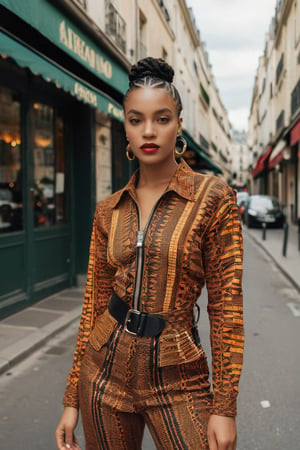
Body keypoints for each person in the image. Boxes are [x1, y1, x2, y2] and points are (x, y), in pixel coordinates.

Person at [55, 57, 244, 450]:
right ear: (125, 126)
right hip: (103, 373)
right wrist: (71, 399)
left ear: (178, 125)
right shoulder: (109, 209)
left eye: (161, 118)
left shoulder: (213, 197)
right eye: (136, 119)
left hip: (178, 376)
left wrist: (224, 407)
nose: (148, 131)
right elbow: (92, 306)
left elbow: (227, 308)